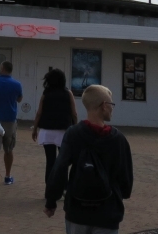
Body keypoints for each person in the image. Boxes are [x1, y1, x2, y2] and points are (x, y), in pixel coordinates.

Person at [44, 85, 133, 234]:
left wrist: (51, 200)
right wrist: (122, 194)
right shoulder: (118, 139)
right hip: (107, 212)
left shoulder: (73, 134)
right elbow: (126, 178)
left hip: (77, 210)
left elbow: (59, 168)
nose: (112, 108)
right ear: (104, 106)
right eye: (111, 104)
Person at [32, 67, 78, 184]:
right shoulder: (68, 93)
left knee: (50, 161)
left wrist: (35, 128)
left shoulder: (46, 94)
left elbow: (39, 113)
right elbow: (74, 113)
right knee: (63, 161)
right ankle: (64, 187)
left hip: (47, 131)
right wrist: (76, 128)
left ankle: (49, 188)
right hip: (63, 131)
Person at [0, 60, 23, 188]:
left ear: (2, 68)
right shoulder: (17, 84)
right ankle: (7, 176)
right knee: (9, 149)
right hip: (10, 120)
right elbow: (19, 99)